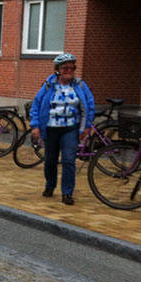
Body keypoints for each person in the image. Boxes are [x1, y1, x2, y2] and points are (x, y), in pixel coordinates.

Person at [29, 53, 96, 205]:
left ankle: (67, 192)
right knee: (50, 161)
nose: (69, 70)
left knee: (68, 160)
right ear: (57, 69)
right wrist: (35, 125)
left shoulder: (80, 85)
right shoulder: (48, 86)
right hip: (51, 129)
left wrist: (86, 127)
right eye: (65, 67)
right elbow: (36, 105)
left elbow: (90, 107)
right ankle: (50, 185)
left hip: (70, 129)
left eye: (72, 67)